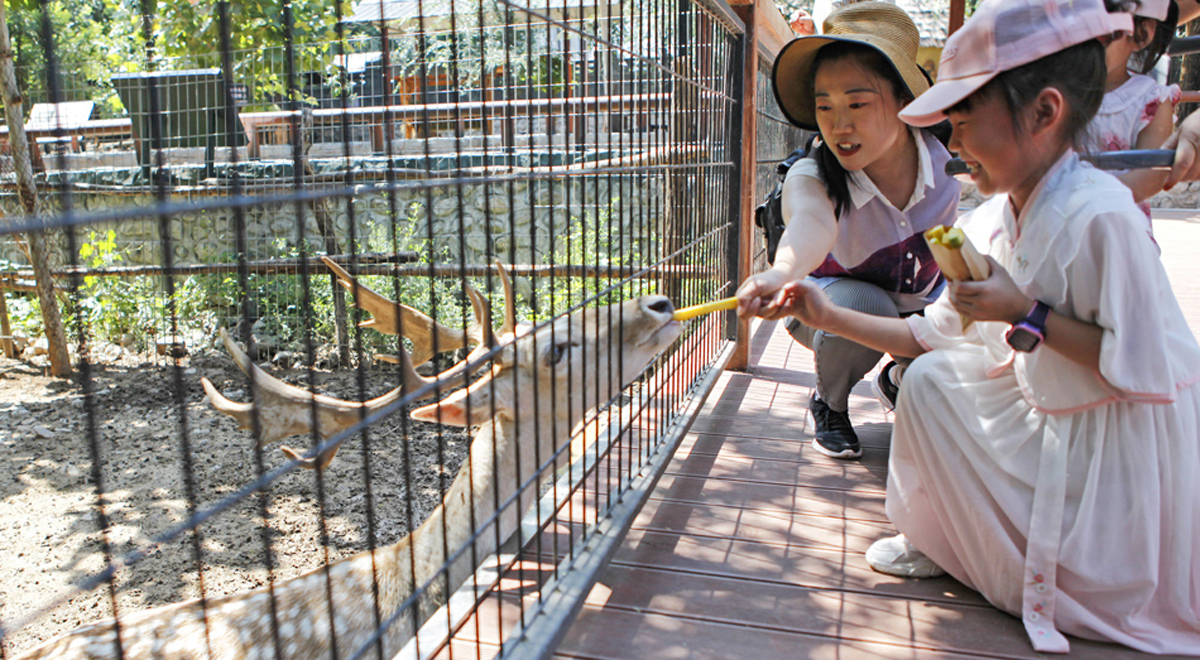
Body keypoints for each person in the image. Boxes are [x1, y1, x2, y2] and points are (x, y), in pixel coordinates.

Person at [745, 0, 1200, 653]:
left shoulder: (1101, 218)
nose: (954, 142)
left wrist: (1025, 313)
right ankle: (942, 536)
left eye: (966, 120)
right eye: (948, 123)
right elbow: (923, 337)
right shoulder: (991, 221)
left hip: (1117, 441)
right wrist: (822, 312)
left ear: (1044, 113)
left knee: (935, 381)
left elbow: (1144, 368)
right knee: (928, 379)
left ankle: (1059, 553)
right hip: (1053, 403)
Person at [736, 1, 960, 460]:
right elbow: (810, 223)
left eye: (857, 103)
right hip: (826, 305)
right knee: (864, 301)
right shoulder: (814, 171)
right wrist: (781, 275)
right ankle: (830, 401)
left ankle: (899, 377)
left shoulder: (946, 157)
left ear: (904, 100)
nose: (839, 124)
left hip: (923, 307)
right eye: (825, 106)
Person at [1080, 0, 1179, 225]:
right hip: (1057, 222)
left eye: (1099, 35)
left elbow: (1153, 173)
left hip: (1117, 228)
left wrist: (1090, 200)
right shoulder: (1059, 94)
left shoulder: (1149, 100)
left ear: (1140, 35)